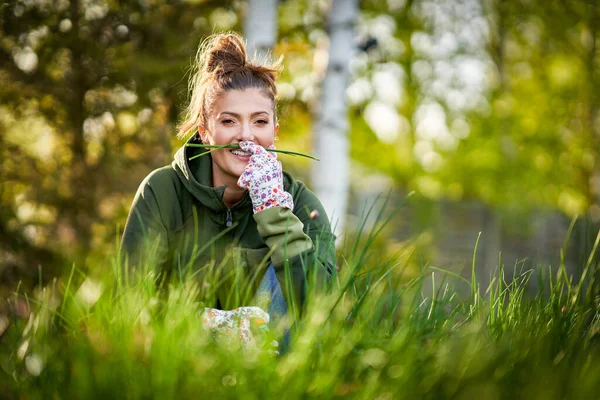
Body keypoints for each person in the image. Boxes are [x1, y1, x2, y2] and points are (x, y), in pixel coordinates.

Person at [120, 33, 336, 348]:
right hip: (182, 358)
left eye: (259, 122)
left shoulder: (299, 201)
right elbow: (130, 299)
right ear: (205, 131)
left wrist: (274, 211)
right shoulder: (162, 190)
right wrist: (206, 325)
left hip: (270, 363)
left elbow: (324, 312)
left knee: (292, 262)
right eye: (229, 121)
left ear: (274, 131)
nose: (245, 136)